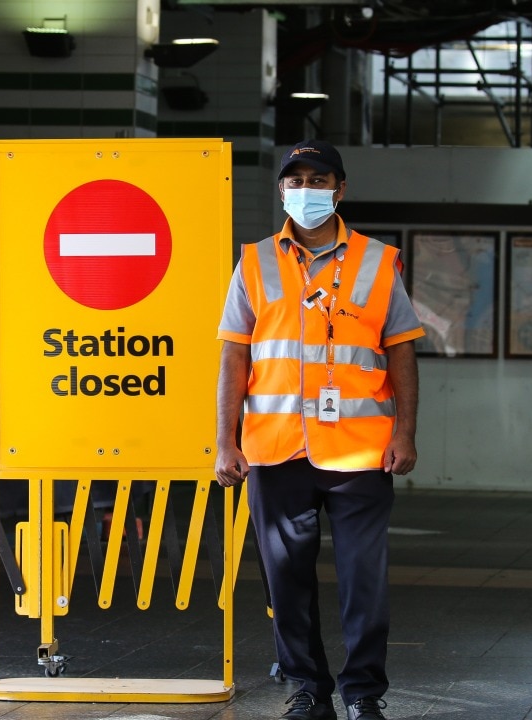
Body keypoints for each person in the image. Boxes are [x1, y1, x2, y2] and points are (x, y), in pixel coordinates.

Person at [214, 139, 423, 720]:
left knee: (364, 583)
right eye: (296, 180)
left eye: (319, 179)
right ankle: (306, 688)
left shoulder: (379, 262)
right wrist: (225, 440)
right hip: (276, 449)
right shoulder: (254, 262)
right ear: (281, 190)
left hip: (360, 452)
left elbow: (402, 353)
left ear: (340, 189)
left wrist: (405, 433)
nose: (307, 190)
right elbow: (234, 355)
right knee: (286, 582)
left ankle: (362, 695)